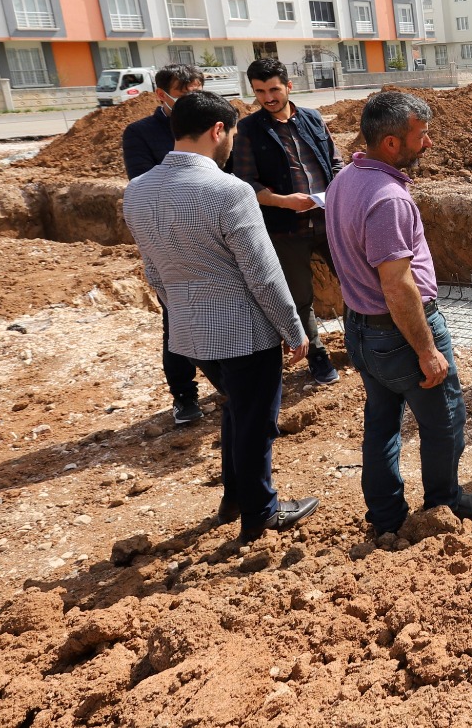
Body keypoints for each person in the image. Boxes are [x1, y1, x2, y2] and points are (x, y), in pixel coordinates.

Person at [122, 91, 318, 542]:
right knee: (255, 424)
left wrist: (181, 313)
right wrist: (294, 330)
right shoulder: (229, 191)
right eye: (231, 132)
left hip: (189, 333)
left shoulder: (138, 190)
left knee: (237, 411)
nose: (232, 141)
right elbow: (263, 274)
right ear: (217, 131)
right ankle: (260, 513)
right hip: (244, 334)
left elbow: (154, 272)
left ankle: (235, 498)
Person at [325, 92, 472, 534]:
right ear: (390, 143)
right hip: (398, 333)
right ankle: (446, 504)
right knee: (445, 420)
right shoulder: (388, 199)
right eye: (420, 135)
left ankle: (386, 517)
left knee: (382, 422)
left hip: (361, 328)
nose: (428, 143)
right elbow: (397, 285)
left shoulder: (345, 179)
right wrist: (426, 350)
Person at [230, 57, 344, 386]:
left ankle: (362, 342)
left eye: (274, 89)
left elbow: (335, 163)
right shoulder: (249, 131)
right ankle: (318, 358)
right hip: (286, 229)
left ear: (289, 86)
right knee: (300, 298)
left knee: (353, 282)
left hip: (328, 221)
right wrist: (284, 201)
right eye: (260, 91)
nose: (268, 98)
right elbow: (246, 183)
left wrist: (335, 193)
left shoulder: (313, 118)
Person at [120, 62, 207, 425]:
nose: (193, 102)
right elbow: (145, 185)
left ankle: (233, 384)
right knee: (178, 321)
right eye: (184, 95)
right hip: (171, 242)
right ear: (162, 95)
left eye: (197, 94)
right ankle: (184, 396)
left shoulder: (211, 125)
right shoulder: (140, 133)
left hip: (213, 235)